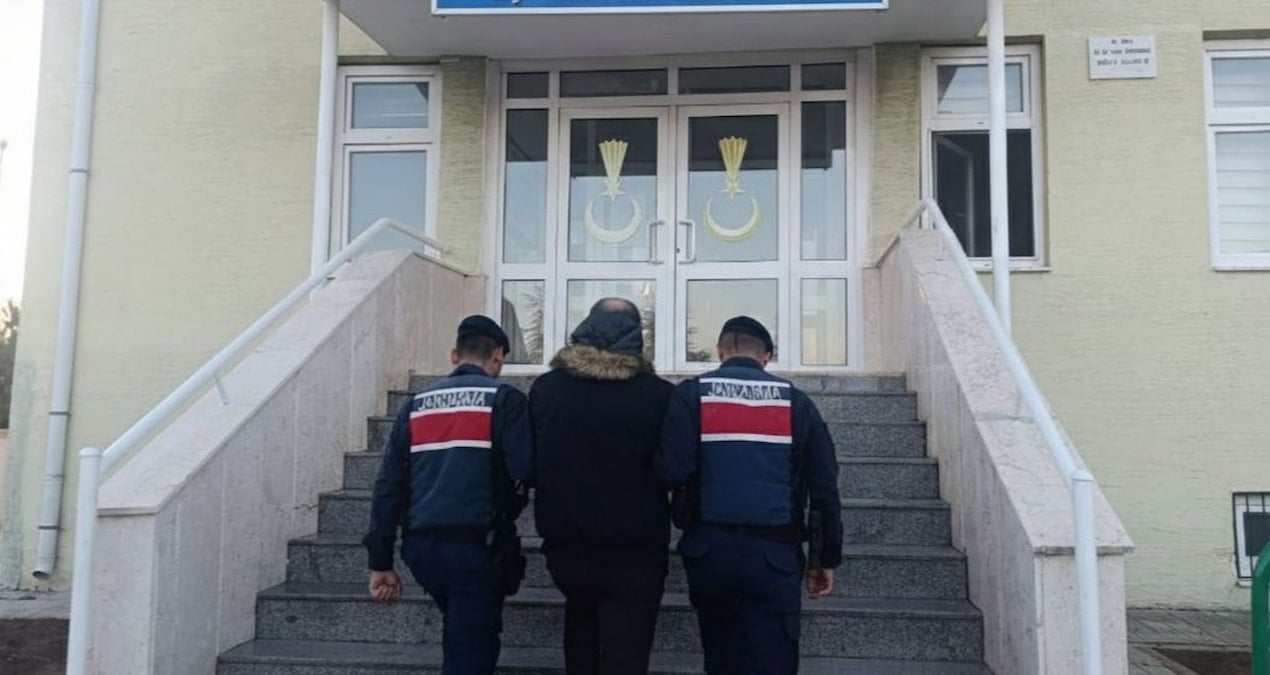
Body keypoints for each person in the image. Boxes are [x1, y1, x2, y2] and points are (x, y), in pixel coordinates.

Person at [656, 316, 843, 675]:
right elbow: (824, 487)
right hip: (775, 554)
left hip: (710, 551)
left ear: (720, 352)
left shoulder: (692, 394)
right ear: (767, 356)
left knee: (722, 653)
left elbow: (671, 471)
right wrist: (825, 557)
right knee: (775, 656)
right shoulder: (795, 402)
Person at [508, 297, 675, 675]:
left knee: (580, 619)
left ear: (585, 328)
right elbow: (671, 469)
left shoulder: (547, 389)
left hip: (567, 542)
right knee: (629, 644)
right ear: (636, 337)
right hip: (637, 547)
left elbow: (527, 465)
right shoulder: (660, 395)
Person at [363, 315, 530, 675]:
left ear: (455, 354)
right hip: (478, 548)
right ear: (498, 356)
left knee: (461, 634)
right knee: (471, 651)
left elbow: (389, 485)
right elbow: (525, 469)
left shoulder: (416, 405)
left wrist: (380, 560)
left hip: (423, 551)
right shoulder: (504, 400)